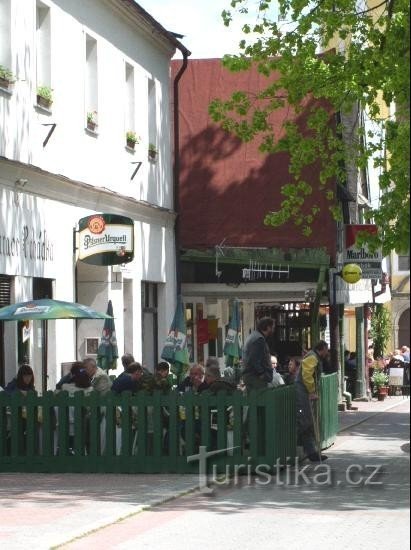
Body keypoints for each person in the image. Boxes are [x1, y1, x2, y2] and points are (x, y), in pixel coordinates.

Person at [295, 340, 329, 462]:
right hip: (302, 392)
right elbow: (307, 375)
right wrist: (311, 391)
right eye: (326, 350)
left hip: (304, 391)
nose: (327, 352)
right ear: (322, 349)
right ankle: (310, 452)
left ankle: (312, 452)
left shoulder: (313, 356)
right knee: (305, 421)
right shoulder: (313, 357)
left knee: (307, 422)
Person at [242, 317, 275, 390]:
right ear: (268, 327)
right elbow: (254, 359)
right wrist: (262, 373)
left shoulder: (254, 336)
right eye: (272, 327)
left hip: (251, 376)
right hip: (255, 378)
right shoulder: (259, 339)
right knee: (260, 400)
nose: (273, 330)